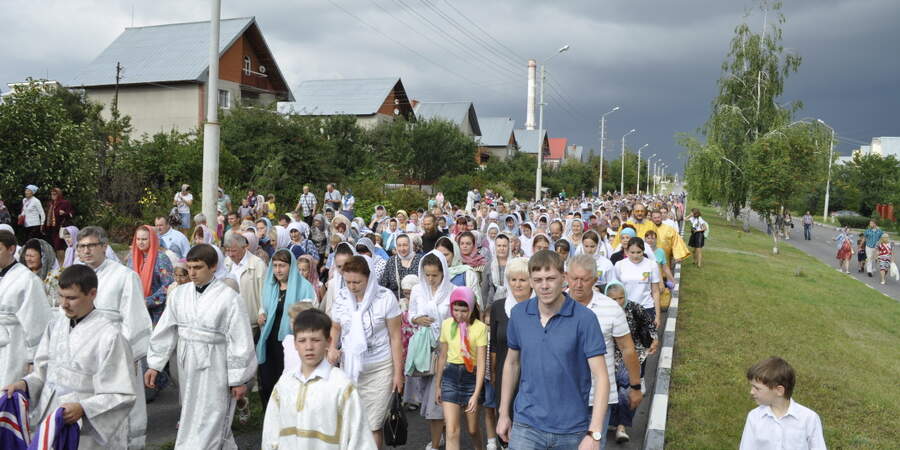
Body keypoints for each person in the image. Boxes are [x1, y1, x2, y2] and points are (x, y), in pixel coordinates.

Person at [4, 265, 136, 449]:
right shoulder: (55, 326)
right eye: (61, 296)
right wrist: (25, 385)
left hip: (86, 430)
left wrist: (84, 408)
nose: (63, 304)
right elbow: (42, 373)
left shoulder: (110, 336)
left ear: (92, 294)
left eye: (71, 298)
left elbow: (121, 394)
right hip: (50, 418)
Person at [144, 243, 257, 449]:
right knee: (191, 414)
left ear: (213, 267)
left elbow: (240, 339)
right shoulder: (179, 294)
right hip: (187, 362)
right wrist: (154, 364)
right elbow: (166, 329)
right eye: (190, 267)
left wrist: (239, 379)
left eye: (198, 267)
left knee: (214, 415)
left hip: (215, 365)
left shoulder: (229, 297)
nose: (192, 273)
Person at [496, 250, 609, 450]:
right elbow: (512, 364)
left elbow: (601, 377)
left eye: (550, 278)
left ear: (563, 278)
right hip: (526, 425)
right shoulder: (519, 314)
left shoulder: (585, 319)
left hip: (572, 429)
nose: (544, 286)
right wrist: (504, 414)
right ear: (531, 281)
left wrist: (595, 432)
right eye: (538, 280)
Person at [77, 226, 152, 447]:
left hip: (117, 353)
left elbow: (134, 316)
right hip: (85, 355)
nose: (87, 251)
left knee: (120, 406)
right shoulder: (75, 274)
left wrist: (130, 354)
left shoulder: (124, 276)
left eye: (91, 245)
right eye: (82, 246)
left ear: (104, 247)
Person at [261, 309, 377, 449]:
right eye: (302, 341)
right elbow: (271, 432)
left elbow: (359, 438)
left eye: (315, 340)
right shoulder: (285, 384)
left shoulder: (340, 386)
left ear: (328, 342)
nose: (309, 347)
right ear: (295, 344)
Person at [327, 255, 405, 448]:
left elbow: (396, 338)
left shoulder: (385, 298)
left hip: (380, 367)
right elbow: (336, 327)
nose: (352, 286)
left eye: (357, 282)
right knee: (352, 422)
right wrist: (331, 348)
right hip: (350, 368)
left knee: (373, 424)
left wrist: (398, 373)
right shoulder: (342, 298)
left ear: (369, 278)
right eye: (348, 281)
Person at [566, 255, 643, 448]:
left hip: (598, 399)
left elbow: (627, 349)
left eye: (584, 279)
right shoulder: (553, 306)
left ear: (594, 279)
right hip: (562, 398)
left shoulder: (611, 308)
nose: (578, 284)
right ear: (566, 277)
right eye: (574, 278)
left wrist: (635, 387)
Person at [257, 249, 316, 406]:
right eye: (275, 265)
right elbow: (264, 306)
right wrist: (261, 313)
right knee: (269, 382)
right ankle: (271, 418)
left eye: (282, 266)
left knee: (287, 382)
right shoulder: (270, 286)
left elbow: (310, 314)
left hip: (291, 342)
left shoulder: (304, 287)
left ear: (291, 266)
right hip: (269, 340)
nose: (278, 270)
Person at [408, 251, 453, 450]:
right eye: (427, 274)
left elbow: (458, 318)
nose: (431, 279)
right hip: (422, 350)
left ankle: (434, 445)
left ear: (443, 272)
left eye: (435, 275)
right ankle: (441, 434)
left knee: (437, 399)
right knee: (426, 396)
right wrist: (417, 319)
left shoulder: (452, 290)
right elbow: (410, 314)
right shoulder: (418, 290)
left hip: (445, 350)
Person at [604, 282, 658, 444]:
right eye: (613, 299)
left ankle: (622, 426)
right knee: (611, 390)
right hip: (609, 356)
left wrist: (654, 340)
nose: (617, 302)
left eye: (621, 298)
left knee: (626, 391)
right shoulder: (602, 310)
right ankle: (612, 421)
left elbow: (649, 326)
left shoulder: (635, 308)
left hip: (632, 355)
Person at [435, 287, 487, 450]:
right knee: (451, 431)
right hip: (450, 376)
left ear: (471, 309)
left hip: (471, 377)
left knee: (472, 429)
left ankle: (479, 447)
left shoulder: (480, 328)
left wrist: (476, 393)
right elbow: (442, 356)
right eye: (455, 309)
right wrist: (437, 385)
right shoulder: (446, 324)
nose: (459, 314)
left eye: (464, 310)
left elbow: (481, 362)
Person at [739, 357, 827, 450]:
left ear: (779, 390)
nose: (751, 392)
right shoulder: (754, 417)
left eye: (757, 388)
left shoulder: (809, 419)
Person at [0, 230, 52, 387]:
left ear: (12, 249)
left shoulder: (27, 279)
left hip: (13, 346)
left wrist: (33, 358)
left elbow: (37, 321)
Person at [127, 225, 175, 326]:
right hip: (135, 309)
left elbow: (168, 286)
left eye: (144, 239)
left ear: (152, 240)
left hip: (156, 312)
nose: (140, 242)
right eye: (138, 239)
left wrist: (148, 302)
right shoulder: (132, 257)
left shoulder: (161, 258)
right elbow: (127, 281)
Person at [224, 232, 268, 339]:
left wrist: (262, 312)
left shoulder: (258, 264)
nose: (230, 254)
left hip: (251, 321)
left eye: (233, 250)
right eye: (227, 250)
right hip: (230, 320)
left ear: (244, 248)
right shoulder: (227, 263)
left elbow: (265, 292)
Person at [20, 238, 61, 309]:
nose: (28, 259)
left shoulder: (53, 277)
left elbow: (57, 301)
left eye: (32, 256)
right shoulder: (21, 275)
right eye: (27, 256)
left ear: (43, 258)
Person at [380, 233, 423, 298]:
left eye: (405, 245)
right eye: (399, 245)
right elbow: (383, 284)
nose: (402, 248)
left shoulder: (420, 260)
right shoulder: (391, 261)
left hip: (417, 300)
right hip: (395, 302)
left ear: (411, 245)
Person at [45, 187, 75, 262]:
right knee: (55, 247)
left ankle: (63, 263)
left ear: (59, 194)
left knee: (60, 246)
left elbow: (71, 214)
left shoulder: (65, 203)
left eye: (55, 194)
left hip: (62, 227)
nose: (53, 195)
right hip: (52, 229)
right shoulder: (50, 204)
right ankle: (59, 264)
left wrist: (65, 213)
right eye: (52, 194)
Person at [484, 233, 511, 306]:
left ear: (509, 247)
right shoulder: (489, 265)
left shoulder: (514, 265)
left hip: (510, 303)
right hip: (492, 304)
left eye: (504, 246)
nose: (501, 248)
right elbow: (484, 290)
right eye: (499, 246)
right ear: (495, 247)